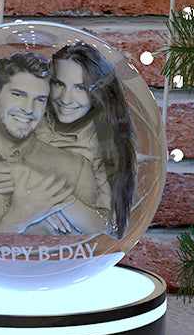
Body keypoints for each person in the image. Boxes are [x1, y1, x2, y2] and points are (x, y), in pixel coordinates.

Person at [0, 51, 107, 235]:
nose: (28, 109)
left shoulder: (76, 170)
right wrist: (19, 219)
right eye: (17, 94)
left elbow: (98, 239)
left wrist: (39, 185)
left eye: (39, 99)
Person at [39, 42, 137, 238]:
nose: (66, 99)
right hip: (10, 247)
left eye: (80, 87)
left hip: (71, 250)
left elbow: (109, 226)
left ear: (99, 91)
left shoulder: (104, 144)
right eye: (59, 84)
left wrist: (53, 201)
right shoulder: (27, 118)